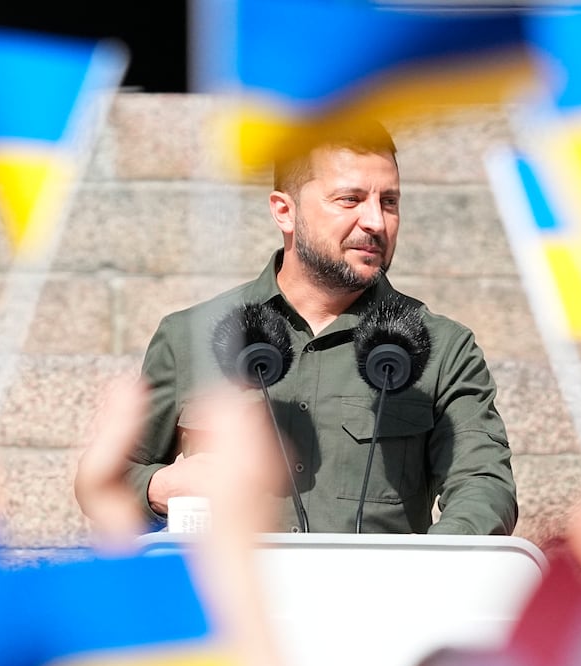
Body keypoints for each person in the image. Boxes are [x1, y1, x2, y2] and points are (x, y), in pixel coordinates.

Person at [119, 120, 517, 534]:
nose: (376, 222)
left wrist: (431, 564)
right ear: (284, 211)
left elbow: (484, 485)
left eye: (389, 202)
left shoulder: (444, 348)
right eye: (350, 199)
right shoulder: (188, 337)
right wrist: (157, 488)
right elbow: (114, 476)